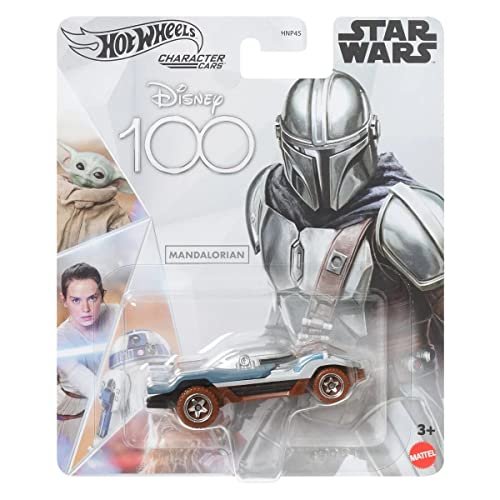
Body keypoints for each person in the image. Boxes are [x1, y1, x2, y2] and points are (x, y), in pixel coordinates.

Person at [243, 70, 444, 477]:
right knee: (255, 474)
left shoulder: (406, 216)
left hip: (393, 393)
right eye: (308, 152)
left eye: (336, 152)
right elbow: (283, 305)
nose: (322, 168)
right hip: (303, 386)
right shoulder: (267, 198)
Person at [57, 262, 120, 471]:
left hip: (115, 399)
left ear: (102, 295)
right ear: (64, 300)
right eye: (76, 300)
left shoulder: (117, 314)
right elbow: (82, 378)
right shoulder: (59, 339)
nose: (85, 309)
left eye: (92, 298)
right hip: (73, 412)